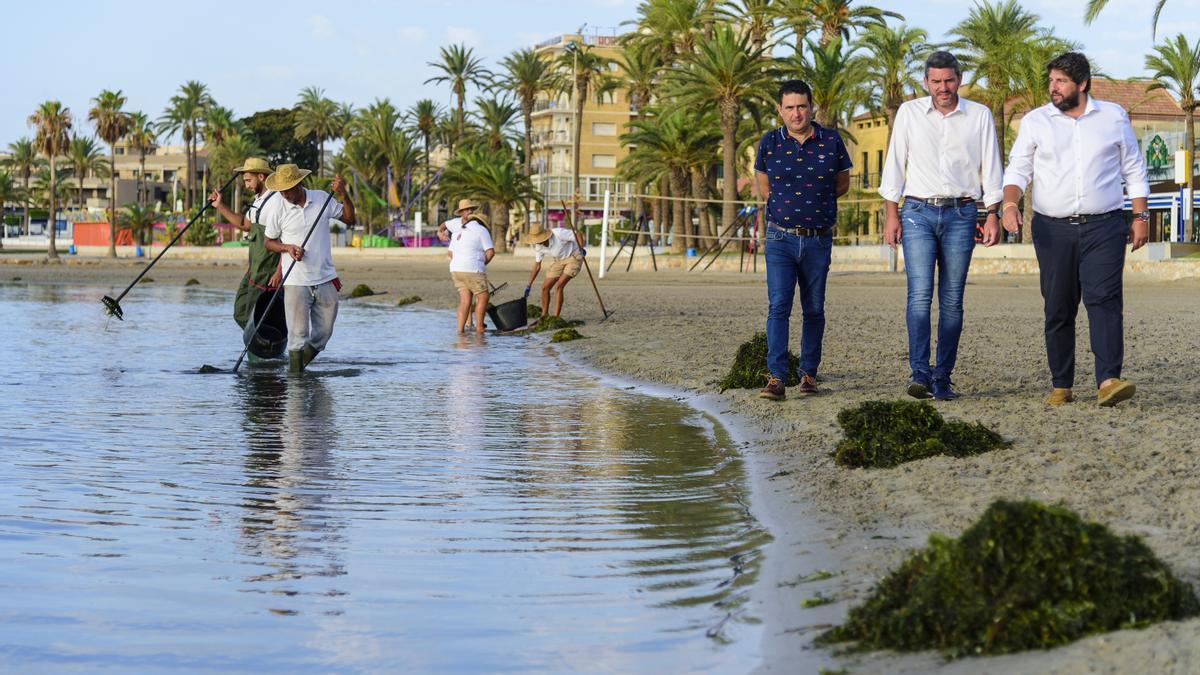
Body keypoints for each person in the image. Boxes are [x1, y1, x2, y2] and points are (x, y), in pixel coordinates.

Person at [1001, 52, 1149, 407]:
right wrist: (1009, 204)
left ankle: (1108, 380)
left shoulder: (1113, 116)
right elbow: (1018, 169)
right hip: (1053, 230)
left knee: (1105, 301)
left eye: (1061, 81)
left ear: (1082, 84)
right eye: (1051, 80)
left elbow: (1133, 167)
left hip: (1105, 226)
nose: (1053, 87)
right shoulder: (1036, 121)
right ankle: (1061, 384)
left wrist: (1140, 217)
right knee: (1058, 306)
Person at [879, 51, 1005, 401]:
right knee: (919, 297)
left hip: (962, 214)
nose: (943, 87)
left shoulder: (979, 115)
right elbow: (895, 165)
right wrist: (892, 213)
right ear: (926, 82)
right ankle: (919, 374)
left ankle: (943, 377)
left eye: (949, 80)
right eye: (936, 81)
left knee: (952, 300)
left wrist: (992, 212)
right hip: (917, 212)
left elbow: (992, 168)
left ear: (959, 80)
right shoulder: (908, 113)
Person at [754, 79, 852, 401]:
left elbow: (842, 184)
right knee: (778, 307)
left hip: (817, 241)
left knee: (813, 309)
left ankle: (808, 374)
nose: (796, 113)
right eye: (790, 107)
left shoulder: (832, 141)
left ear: (812, 107)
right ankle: (776, 378)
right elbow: (765, 188)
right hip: (780, 238)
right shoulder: (769, 143)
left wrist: (814, 203)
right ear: (780, 110)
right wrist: (789, 209)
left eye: (802, 106)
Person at [260, 164, 356, 373]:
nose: (284, 194)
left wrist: (344, 195)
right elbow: (268, 242)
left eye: (288, 189)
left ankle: (297, 367)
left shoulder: (321, 198)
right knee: (297, 335)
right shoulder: (279, 206)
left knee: (324, 333)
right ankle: (296, 382)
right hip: (295, 281)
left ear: (299, 183)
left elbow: (350, 219)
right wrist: (287, 248)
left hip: (325, 277)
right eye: (281, 190)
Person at [209, 158, 281, 330]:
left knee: (254, 316)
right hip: (254, 270)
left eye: (249, 180)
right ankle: (258, 340)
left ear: (261, 177)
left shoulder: (276, 201)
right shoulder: (258, 200)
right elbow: (245, 224)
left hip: (268, 271)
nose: (246, 185)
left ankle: (264, 346)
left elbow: (285, 239)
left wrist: (279, 272)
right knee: (240, 313)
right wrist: (219, 206)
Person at [523, 223, 585, 317]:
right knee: (545, 287)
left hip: (574, 257)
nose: (537, 242)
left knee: (559, 286)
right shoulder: (539, 247)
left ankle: (555, 317)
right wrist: (529, 285)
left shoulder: (558, 233)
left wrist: (581, 248)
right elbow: (537, 266)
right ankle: (544, 315)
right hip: (559, 261)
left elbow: (578, 234)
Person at [447, 212, 495, 334]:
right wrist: (481, 264)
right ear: (481, 223)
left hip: (455, 269)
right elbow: (490, 252)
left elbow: (450, 253)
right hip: (472, 268)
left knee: (465, 301)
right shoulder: (481, 230)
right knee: (483, 297)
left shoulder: (458, 231)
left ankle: (460, 331)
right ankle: (479, 329)